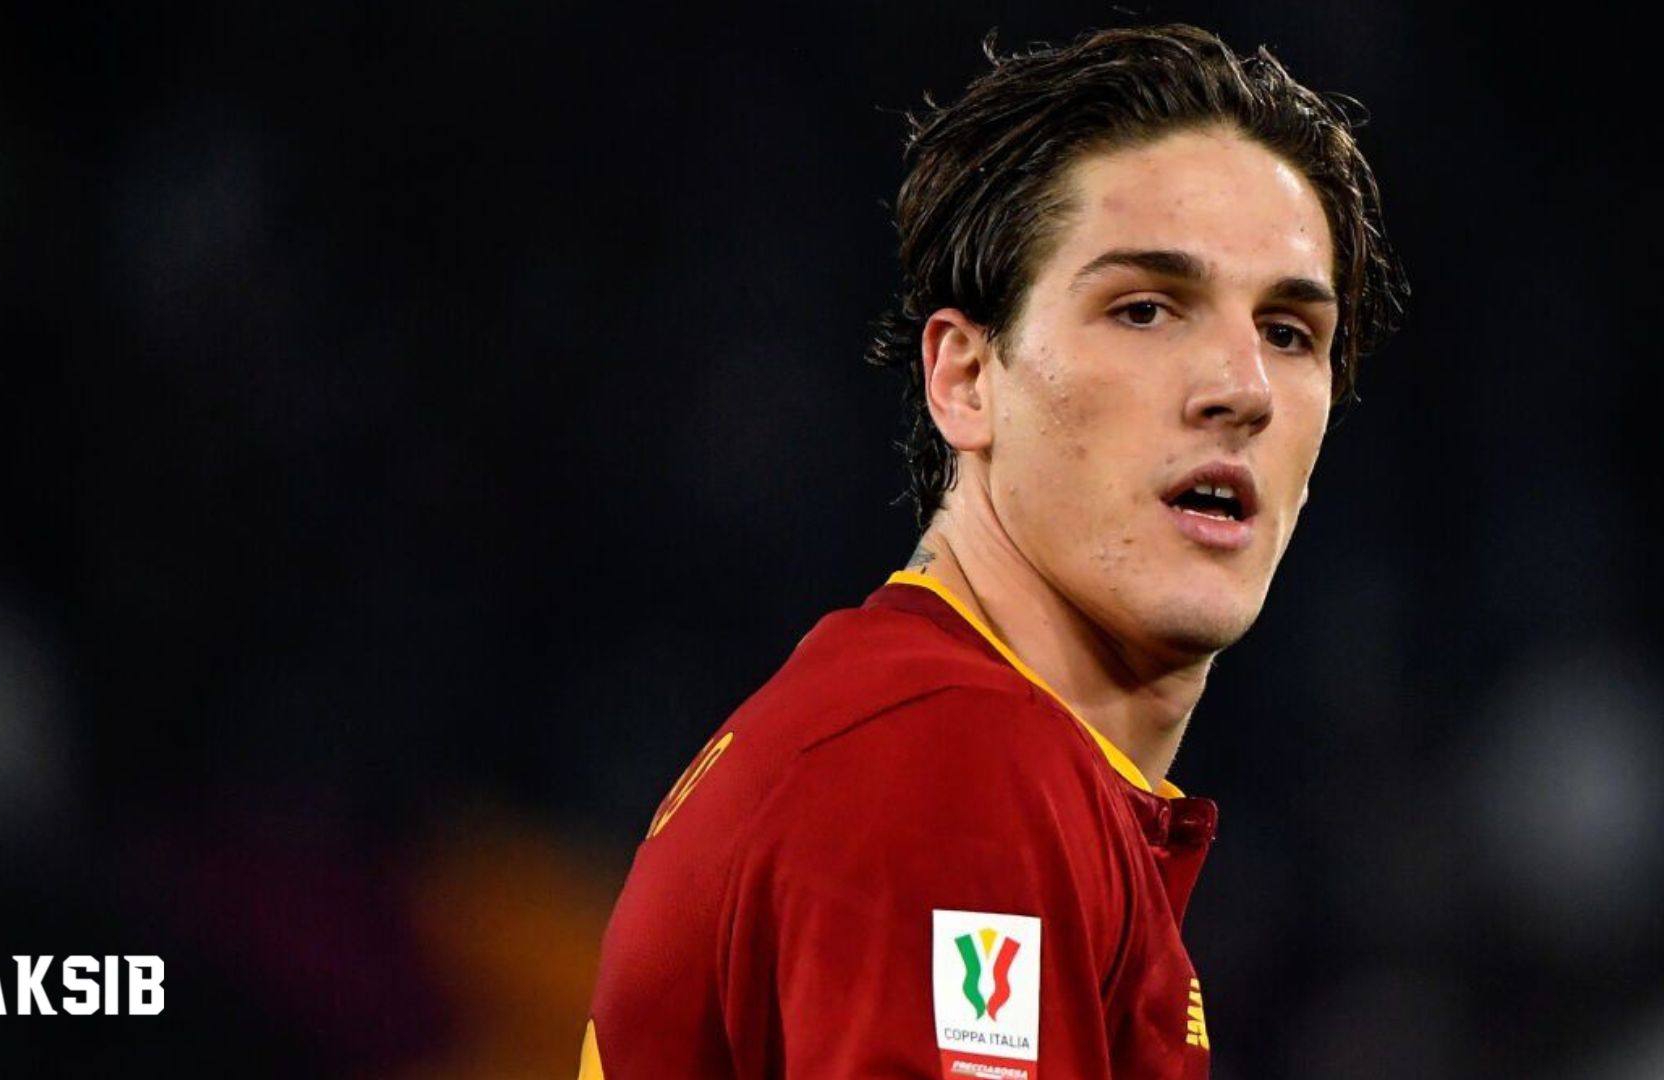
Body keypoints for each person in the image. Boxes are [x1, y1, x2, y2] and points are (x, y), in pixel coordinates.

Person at [580, 22, 1404, 1079]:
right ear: (966, 380)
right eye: (1144, 310)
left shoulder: (940, 745)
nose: (1242, 389)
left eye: (1290, 333)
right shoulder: (952, 768)